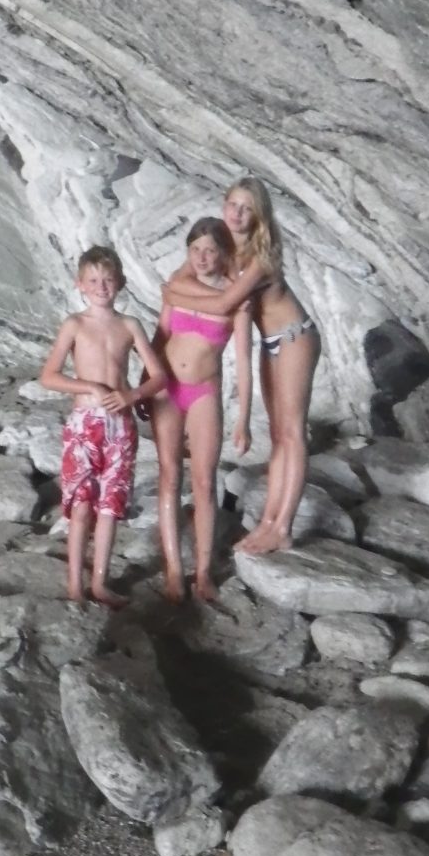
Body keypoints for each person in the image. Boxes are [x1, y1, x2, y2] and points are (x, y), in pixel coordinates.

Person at [162, 177, 320, 554]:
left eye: (247, 208)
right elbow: (180, 277)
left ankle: (283, 527)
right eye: (233, 204)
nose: (237, 213)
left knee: (292, 433)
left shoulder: (260, 258)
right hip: (270, 342)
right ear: (224, 205)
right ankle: (267, 523)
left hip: (295, 337)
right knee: (278, 435)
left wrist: (172, 294)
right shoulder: (218, 242)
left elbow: (221, 304)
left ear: (258, 216)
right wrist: (173, 290)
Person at [39, 245, 165, 607]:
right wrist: (89, 387)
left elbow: (159, 376)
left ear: (121, 282)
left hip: (120, 426)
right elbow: (49, 376)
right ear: (80, 284)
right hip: (84, 423)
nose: (101, 287)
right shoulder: (75, 324)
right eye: (93, 281)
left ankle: (99, 583)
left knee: (110, 505)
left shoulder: (129, 325)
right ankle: (74, 584)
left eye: (108, 280)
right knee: (81, 504)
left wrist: (132, 395)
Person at [145, 217, 252, 604]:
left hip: (204, 391)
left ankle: (203, 572)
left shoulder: (237, 299)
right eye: (195, 249)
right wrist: (144, 383)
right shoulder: (178, 286)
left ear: (223, 253)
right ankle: (174, 569)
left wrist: (243, 418)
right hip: (167, 388)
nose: (202, 257)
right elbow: (161, 336)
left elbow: (244, 361)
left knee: (205, 481)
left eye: (210, 250)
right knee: (169, 475)